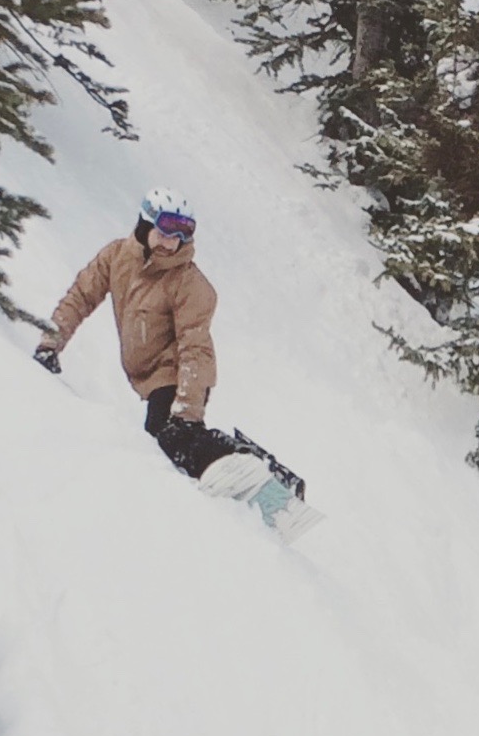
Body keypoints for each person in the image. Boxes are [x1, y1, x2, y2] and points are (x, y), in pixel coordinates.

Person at [34, 186, 302, 511]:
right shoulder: (116, 257)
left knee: (169, 438)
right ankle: (236, 475)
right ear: (145, 225)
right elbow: (80, 297)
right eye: (163, 231)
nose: (170, 242)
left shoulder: (188, 283)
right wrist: (50, 343)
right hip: (149, 376)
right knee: (168, 442)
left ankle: (264, 485)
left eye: (180, 235)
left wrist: (187, 411)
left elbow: (196, 348)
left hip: (178, 374)